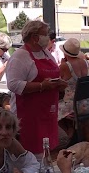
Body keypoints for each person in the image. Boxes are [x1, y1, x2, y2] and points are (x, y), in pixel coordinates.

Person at [5, 20, 67, 154]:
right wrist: (41, 86)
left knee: (47, 149)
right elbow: (13, 84)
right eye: (45, 34)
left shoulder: (45, 53)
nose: (48, 38)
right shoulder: (19, 57)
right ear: (34, 37)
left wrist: (59, 84)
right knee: (34, 152)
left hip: (47, 111)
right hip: (29, 114)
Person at [58, 38, 89, 138]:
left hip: (75, 106)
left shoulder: (65, 66)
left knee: (52, 110)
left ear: (65, 53)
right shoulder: (86, 63)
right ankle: (72, 130)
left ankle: (68, 133)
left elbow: (59, 85)